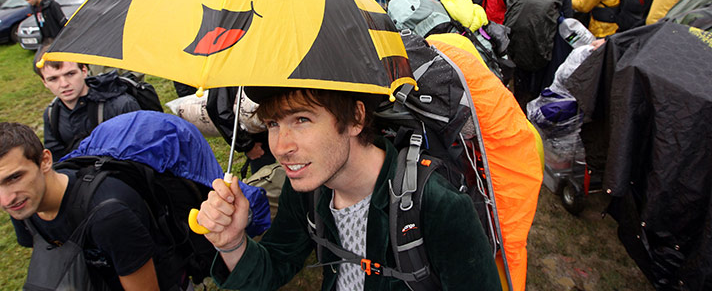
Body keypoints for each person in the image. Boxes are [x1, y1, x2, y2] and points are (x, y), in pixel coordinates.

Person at [195, 87, 501, 290]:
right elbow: (274, 265)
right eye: (273, 124)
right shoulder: (307, 190)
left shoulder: (438, 207)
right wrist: (232, 243)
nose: (280, 147)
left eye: (302, 119)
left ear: (355, 118)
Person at [1, 122, 164, 290]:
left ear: (45, 161)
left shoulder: (109, 216)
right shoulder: (22, 203)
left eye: (15, 178)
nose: (6, 200)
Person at [39, 60, 141, 161]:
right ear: (44, 82)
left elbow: (140, 152)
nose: (64, 84)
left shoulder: (120, 104)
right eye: (53, 79)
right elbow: (56, 158)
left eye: (70, 74)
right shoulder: (51, 114)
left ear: (84, 71)